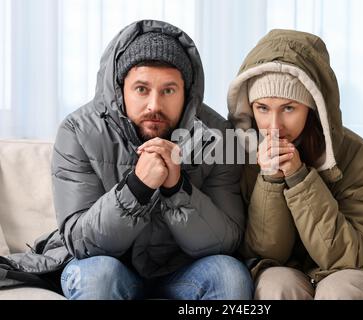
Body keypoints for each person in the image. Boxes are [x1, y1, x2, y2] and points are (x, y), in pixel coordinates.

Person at [0, 20, 253, 300]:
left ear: (187, 92)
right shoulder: (78, 131)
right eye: (142, 89)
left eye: (168, 90)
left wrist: (176, 189)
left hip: (184, 269)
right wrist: (137, 188)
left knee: (229, 275)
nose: (154, 105)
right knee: (99, 277)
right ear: (121, 89)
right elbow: (81, 241)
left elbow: (227, 240)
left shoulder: (217, 135)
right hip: (108, 264)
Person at [227, 29, 363, 300]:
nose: (273, 127)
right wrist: (271, 178)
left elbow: (347, 255)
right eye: (262, 108)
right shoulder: (243, 154)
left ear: (312, 108)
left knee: (340, 292)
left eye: (289, 108)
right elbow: (267, 253)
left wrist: (299, 177)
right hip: (288, 265)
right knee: (276, 287)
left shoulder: (359, 156)